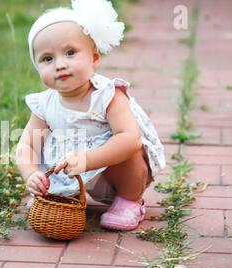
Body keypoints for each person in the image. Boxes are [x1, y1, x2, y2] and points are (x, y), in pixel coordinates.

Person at [15, 0, 166, 231]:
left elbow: (130, 138)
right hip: (73, 178)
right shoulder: (45, 104)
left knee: (127, 147)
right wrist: (31, 173)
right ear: (37, 67)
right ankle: (63, 195)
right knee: (46, 150)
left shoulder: (107, 95)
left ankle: (129, 201)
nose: (60, 64)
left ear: (94, 58)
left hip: (118, 174)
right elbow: (27, 145)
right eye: (47, 58)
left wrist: (88, 160)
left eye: (70, 52)